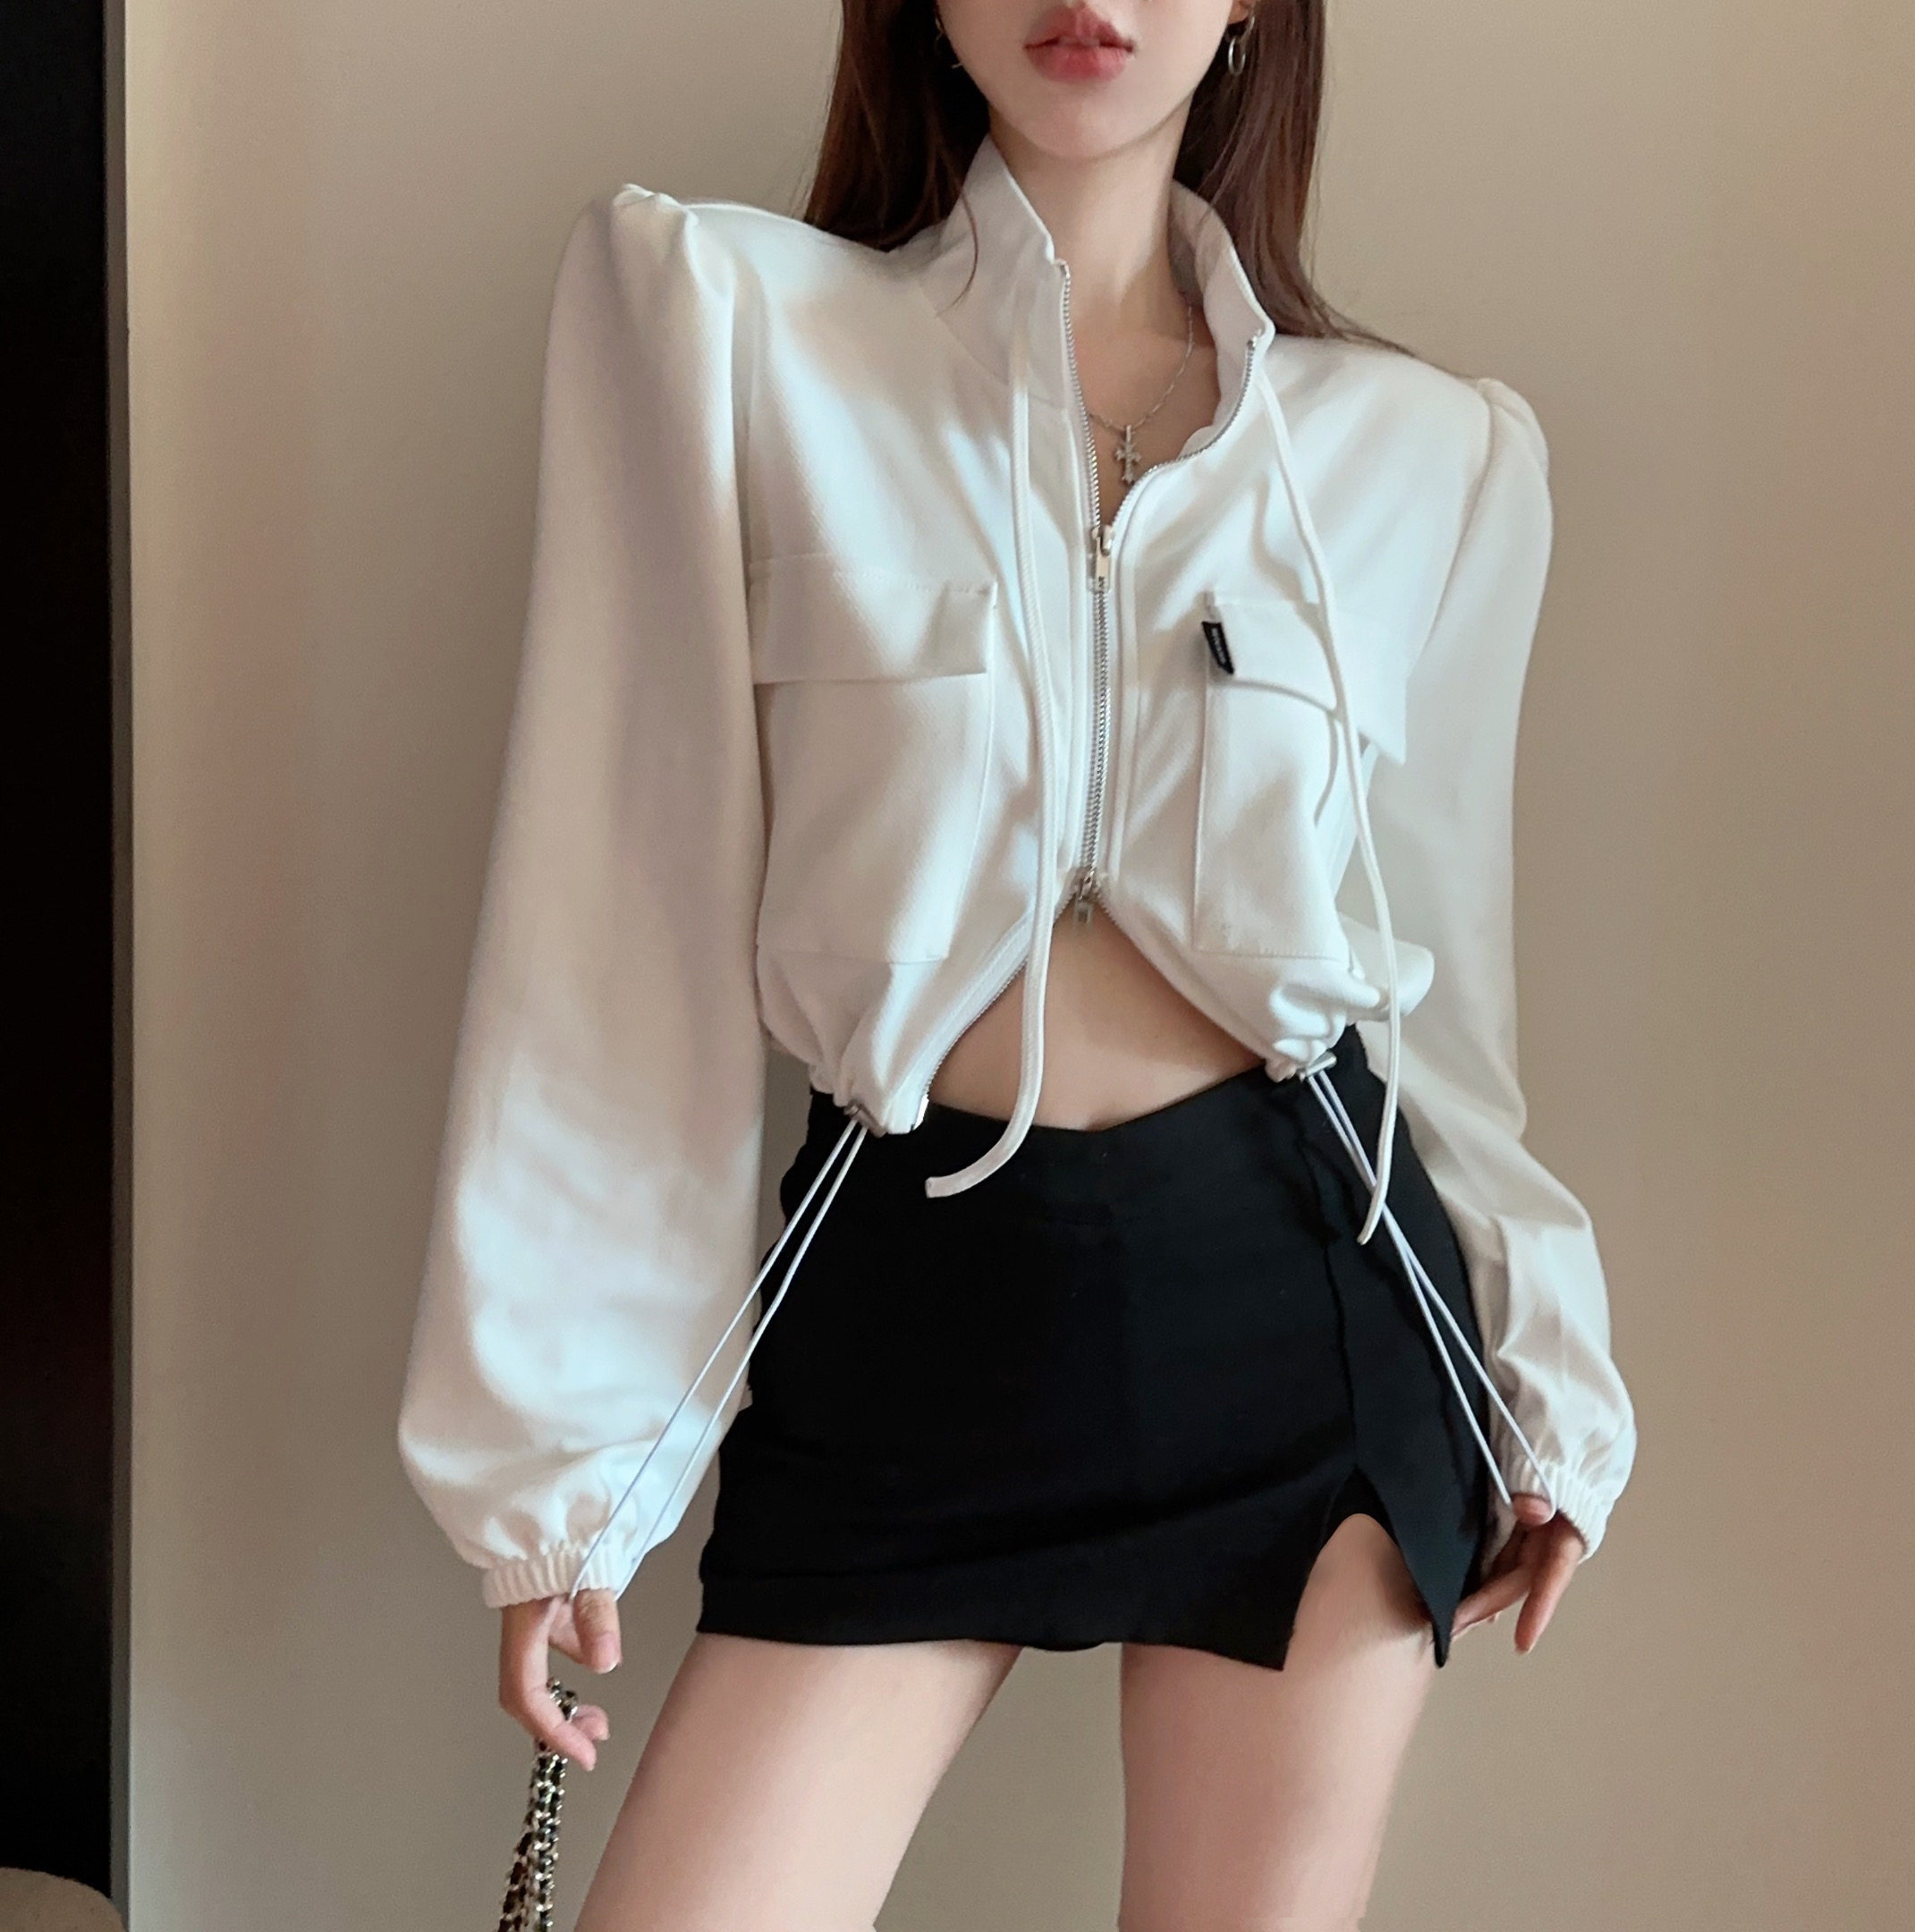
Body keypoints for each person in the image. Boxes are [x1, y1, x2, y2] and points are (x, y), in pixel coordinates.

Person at [397, 1, 1639, 1923]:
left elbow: (1439, 998)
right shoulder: (736, 330)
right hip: (903, 1312)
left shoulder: (1425, 456)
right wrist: (564, 1471)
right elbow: (614, 926)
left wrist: (1544, 1383)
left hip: (1307, 1320)